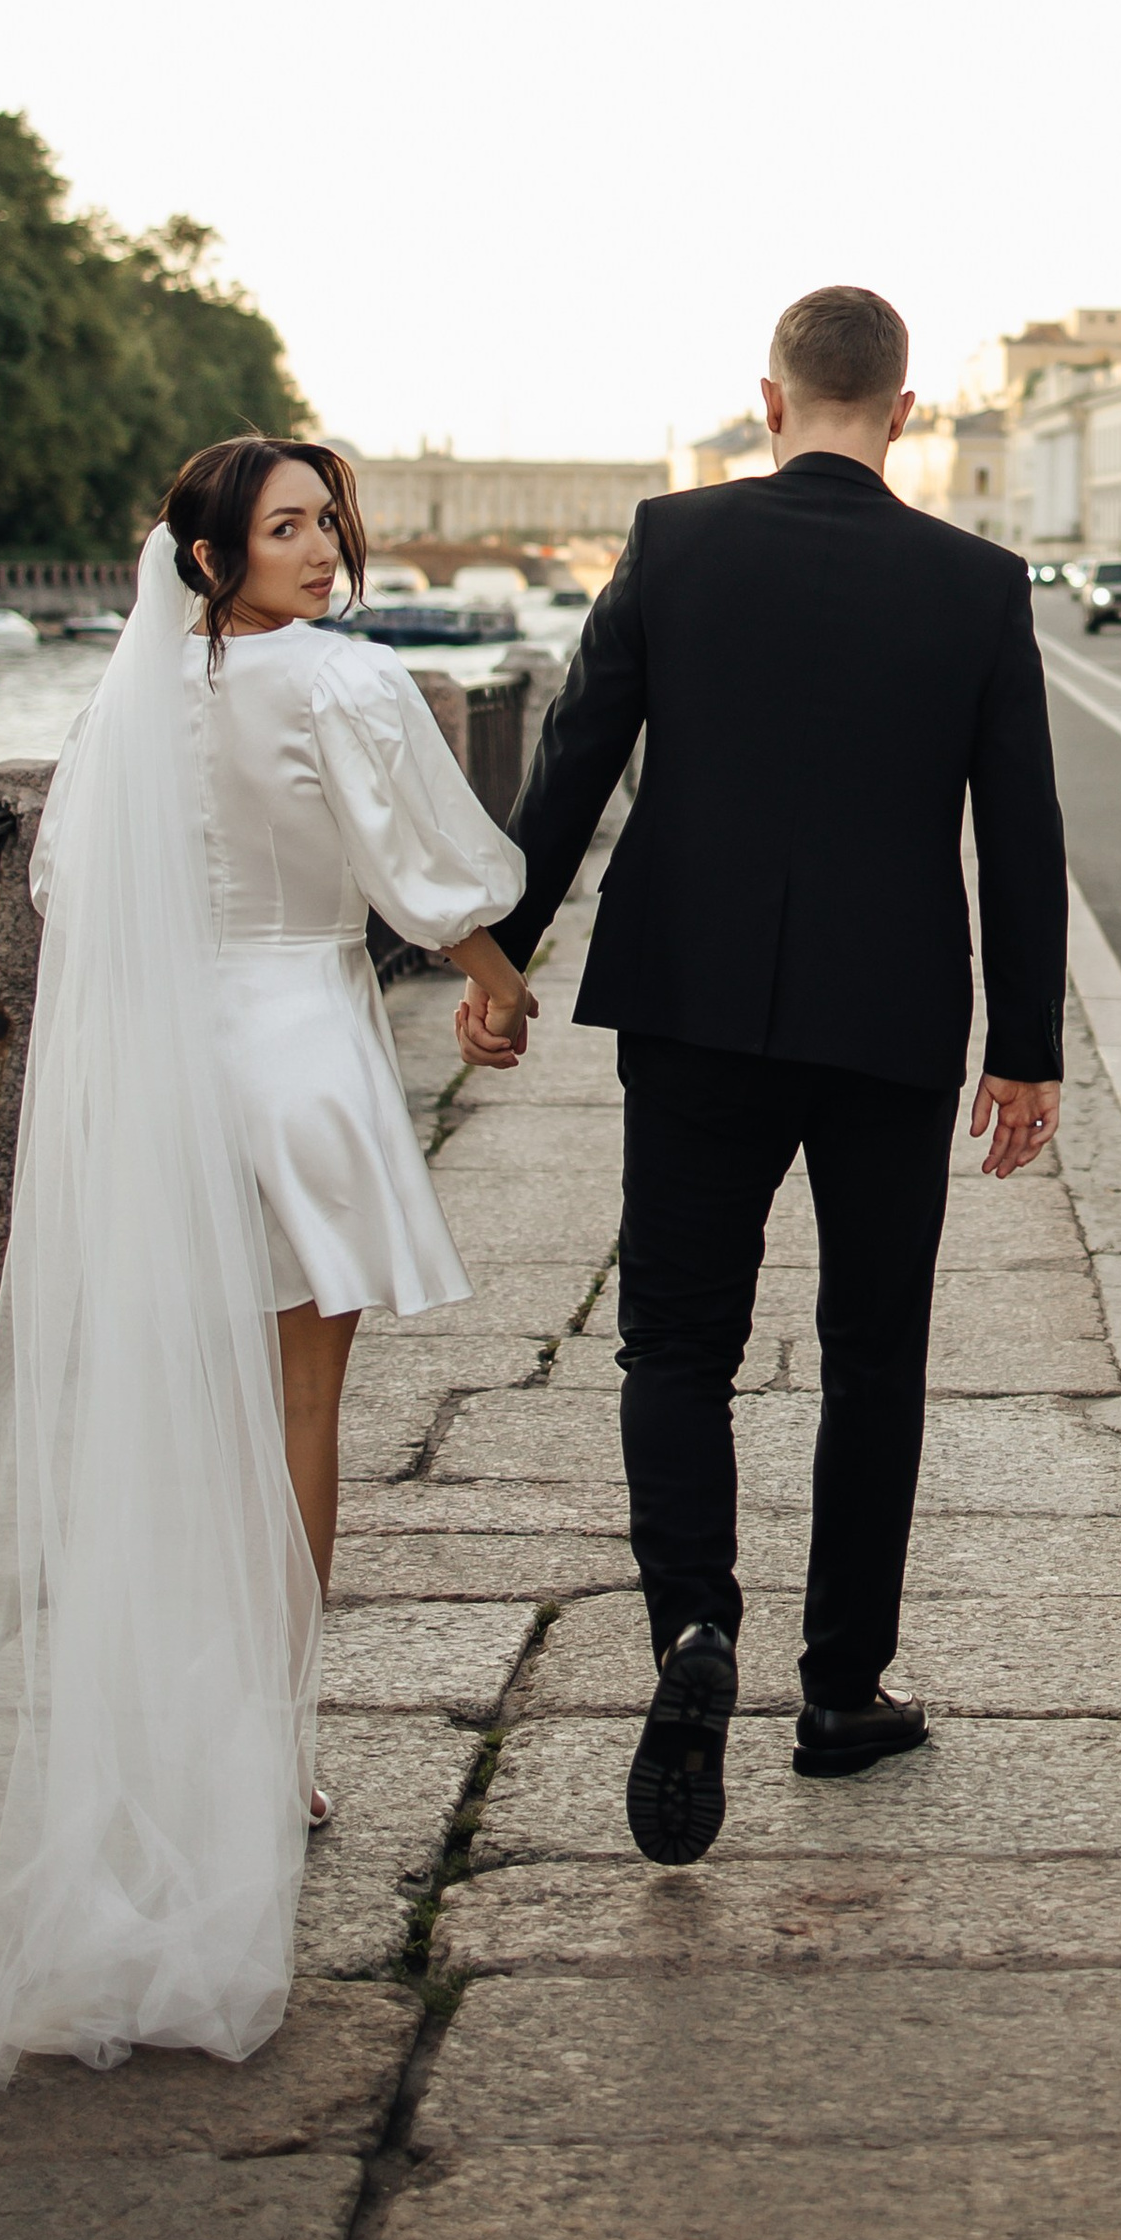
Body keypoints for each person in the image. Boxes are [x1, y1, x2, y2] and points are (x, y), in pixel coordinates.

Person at [0, 438, 535, 2096]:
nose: (322, 551)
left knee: (184, 1410)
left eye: (329, 522)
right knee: (300, 1413)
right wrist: (495, 982)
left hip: (171, 1067)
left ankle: (176, 1734)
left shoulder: (133, 703)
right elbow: (423, 870)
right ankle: (272, 1753)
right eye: (287, 527)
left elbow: (70, 882)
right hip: (301, 1052)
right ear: (212, 553)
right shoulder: (342, 684)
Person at [461, 284, 1067, 1866]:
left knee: (673, 1343)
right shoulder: (979, 584)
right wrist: (1027, 1051)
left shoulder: (673, 545)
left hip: (692, 1006)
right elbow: (1021, 832)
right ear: (908, 414)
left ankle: (691, 1636)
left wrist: (500, 955)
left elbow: (574, 761)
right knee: (875, 1359)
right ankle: (841, 1693)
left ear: (773, 397)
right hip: (889, 1026)